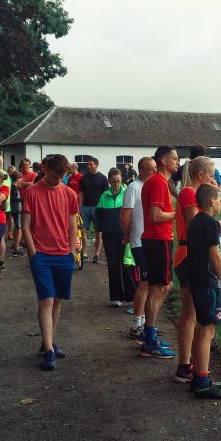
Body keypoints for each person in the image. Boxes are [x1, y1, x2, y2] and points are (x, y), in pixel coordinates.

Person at [22, 154, 79, 371]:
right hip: (42, 255)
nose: (59, 180)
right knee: (46, 299)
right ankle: (48, 350)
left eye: (62, 177)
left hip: (63, 254)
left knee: (57, 300)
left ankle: (48, 341)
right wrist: (33, 253)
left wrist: (71, 250)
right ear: (45, 169)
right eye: (56, 176)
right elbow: (25, 226)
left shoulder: (70, 193)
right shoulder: (31, 193)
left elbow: (73, 223)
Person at [173, 156, 219, 382]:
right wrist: (220, 225)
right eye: (211, 175)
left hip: (188, 254)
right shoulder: (190, 194)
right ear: (200, 175)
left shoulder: (190, 193)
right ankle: (185, 364)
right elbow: (196, 226)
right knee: (191, 315)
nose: (212, 179)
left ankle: (188, 362)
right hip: (189, 255)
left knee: (190, 314)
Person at [185, 183, 221, 399]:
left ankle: (199, 375)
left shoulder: (195, 221)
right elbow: (214, 255)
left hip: (196, 280)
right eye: (220, 199)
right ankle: (203, 382)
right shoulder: (210, 224)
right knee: (207, 331)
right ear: (212, 201)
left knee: (201, 329)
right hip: (208, 282)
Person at [139, 145, 180, 358]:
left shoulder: (159, 182)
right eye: (175, 158)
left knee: (164, 286)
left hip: (159, 239)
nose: (178, 162)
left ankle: (149, 334)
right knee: (158, 288)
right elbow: (155, 216)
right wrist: (177, 213)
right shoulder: (157, 182)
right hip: (158, 239)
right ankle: (149, 338)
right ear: (163, 161)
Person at [121, 157, 155, 339]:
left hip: (151, 241)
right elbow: (125, 215)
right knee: (145, 283)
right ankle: (136, 326)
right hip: (139, 241)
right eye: (150, 169)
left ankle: (145, 323)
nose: (153, 172)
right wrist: (127, 235)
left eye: (155, 168)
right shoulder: (134, 188)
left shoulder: (154, 187)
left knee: (151, 284)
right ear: (141, 171)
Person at [96, 167, 133, 306]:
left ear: (121, 179)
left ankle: (130, 297)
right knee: (113, 266)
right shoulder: (104, 196)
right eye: (113, 182)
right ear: (109, 182)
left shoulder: (127, 193)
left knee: (127, 266)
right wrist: (101, 228)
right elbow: (98, 215)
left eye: (118, 181)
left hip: (125, 235)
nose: (116, 184)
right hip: (109, 236)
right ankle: (116, 297)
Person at [77, 157, 107, 263]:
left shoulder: (103, 178)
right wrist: (79, 207)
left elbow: (105, 195)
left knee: (98, 232)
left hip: (98, 208)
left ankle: (96, 255)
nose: (88, 166)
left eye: (91, 164)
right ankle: (84, 253)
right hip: (85, 208)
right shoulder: (83, 178)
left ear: (96, 165)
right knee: (82, 231)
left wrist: (103, 208)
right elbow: (81, 193)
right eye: (88, 165)